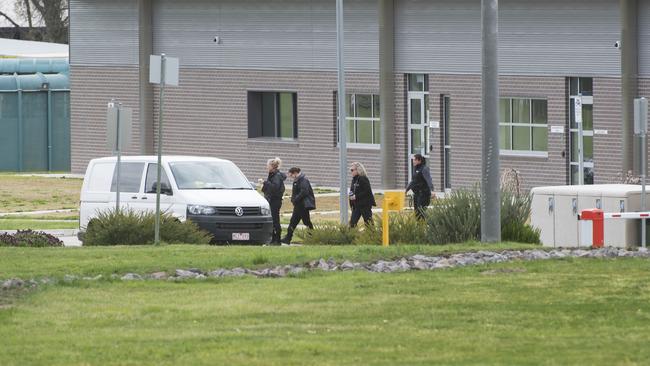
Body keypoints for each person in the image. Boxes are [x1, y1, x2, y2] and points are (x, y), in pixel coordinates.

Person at [281, 167, 315, 244]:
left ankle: (312, 237)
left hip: (302, 205)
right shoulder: (298, 180)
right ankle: (288, 238)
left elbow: (304, 191)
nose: (291, 177)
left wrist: (296, 199)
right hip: (298, 205)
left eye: (291, 175)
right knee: (294, 221)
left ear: (295, 173)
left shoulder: (303, 180)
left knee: (305, 222)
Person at [260, 157, 286, 244]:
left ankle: (277, 239)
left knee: (275, 219)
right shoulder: (272, 175)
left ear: (272, 166)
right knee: (273, 219)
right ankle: (274, 238)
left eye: (267, 165)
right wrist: (264, 186)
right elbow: (270, 188)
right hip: (272, 199)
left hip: (275, 200)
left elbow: (274, 187)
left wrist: (265, 183)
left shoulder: (276, 176)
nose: (266, 167)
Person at [406, 154, 433, 220]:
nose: (413, 161)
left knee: (421, 212)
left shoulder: (424, 169)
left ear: (419, 160)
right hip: (417, 194)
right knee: (417, 213)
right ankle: (419, 228)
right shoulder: (416, 169)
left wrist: (432, 191)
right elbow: (413, 181)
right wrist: (406, 190)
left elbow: (429, 180)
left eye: (415, 160)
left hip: (424, 194)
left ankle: (430, 224)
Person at [349, 162, 376, 227]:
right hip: (356, 206)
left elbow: (367, 191)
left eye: (352, 170)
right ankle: (350, 236)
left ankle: (373, 236)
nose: (351, 172)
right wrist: (351, 201)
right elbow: (352, 191)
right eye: (350, 170)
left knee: (369, 224)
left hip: (365, 205)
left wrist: (356, 196)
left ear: (358, 170)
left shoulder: (363, 179)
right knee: (352, 224)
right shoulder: (354, 180)